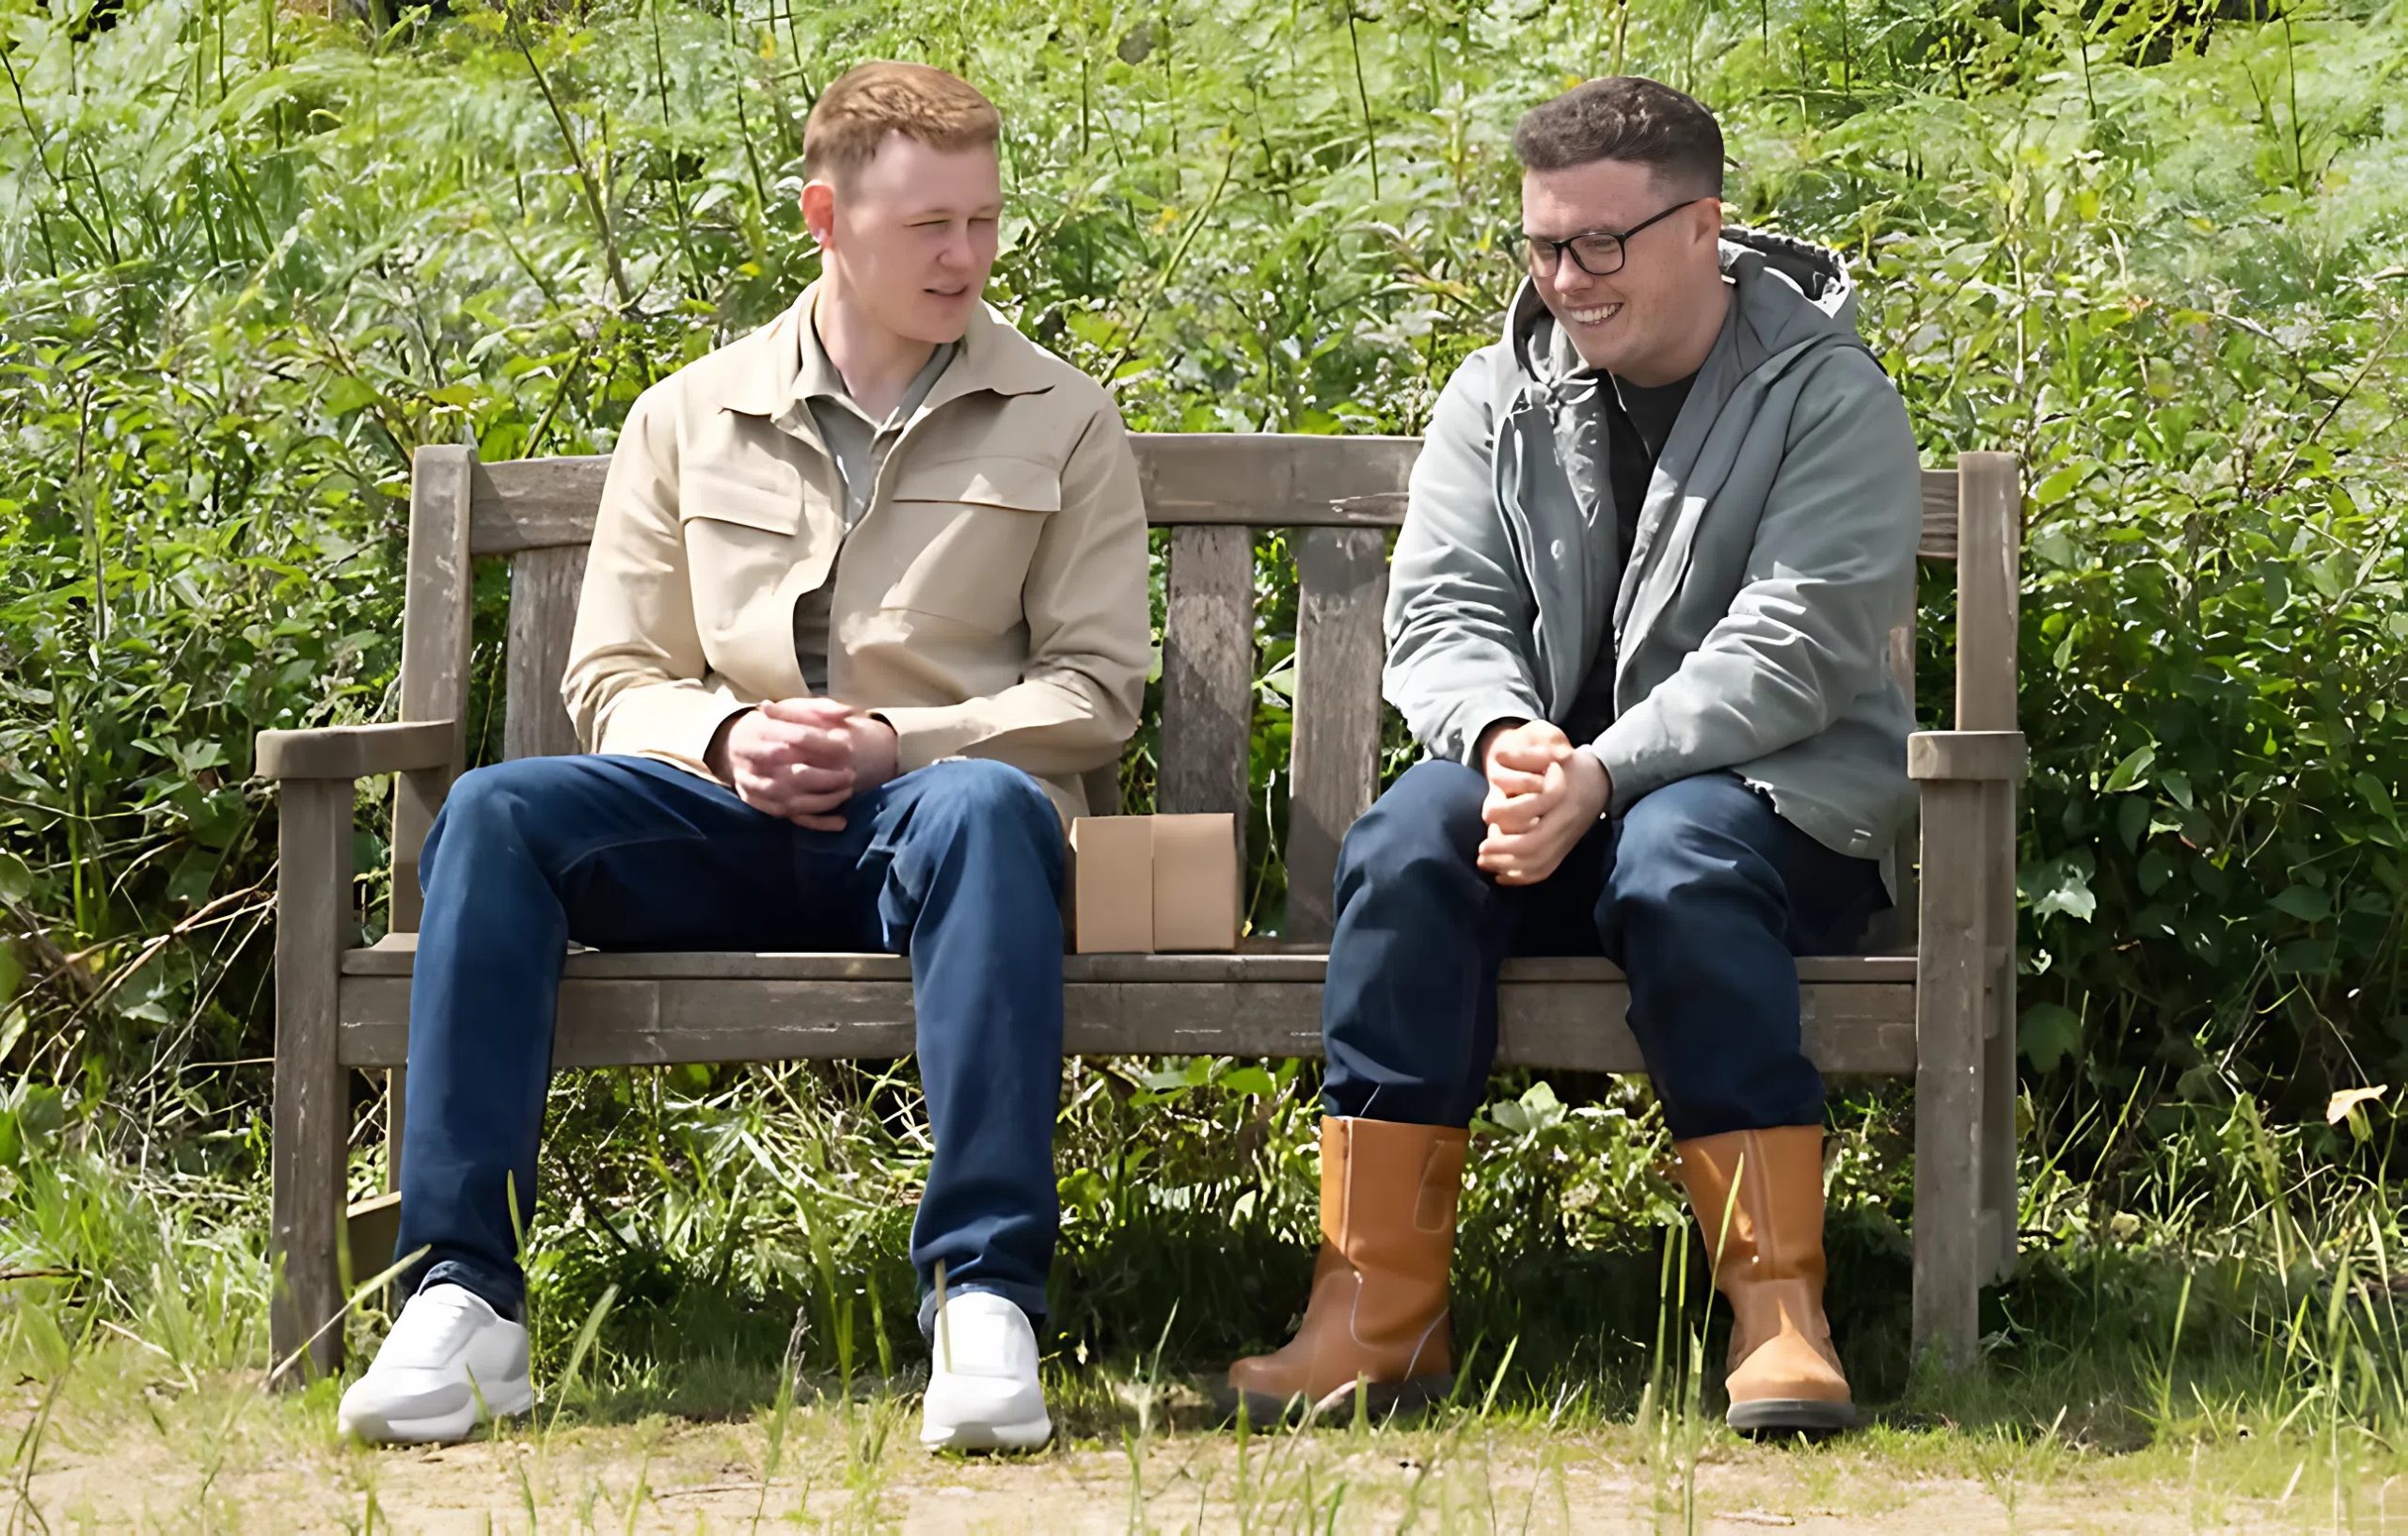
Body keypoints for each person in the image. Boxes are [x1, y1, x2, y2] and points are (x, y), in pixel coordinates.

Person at [336, 61, 1150, 1454]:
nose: (966, 256)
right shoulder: (687, 414)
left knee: (992, 810)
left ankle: (984, 1300)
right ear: (824, 217)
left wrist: (900, 741)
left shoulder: (1063, 417)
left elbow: (1096, 691)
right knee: (495, 812)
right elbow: (612, 676)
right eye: (930, 225)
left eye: (983, 220)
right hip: (715, 817)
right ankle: (464, 1303)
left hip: (926, 830)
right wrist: (725, 735)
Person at [1225, 75, 1921, 1435]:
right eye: (1544, 245)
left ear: (1703, 228)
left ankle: (1779, 1313)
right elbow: (1445, 608)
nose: (1565, 279)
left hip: (1773, 809)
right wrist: (1506, 737)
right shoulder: (1497, 391)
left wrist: (1604, 770)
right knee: (1408, 842)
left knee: (1679, 858)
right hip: (1547, 797)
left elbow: (1797, 644)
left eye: (1601, 243)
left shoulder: (1829, 396)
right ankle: (1374, 1312)